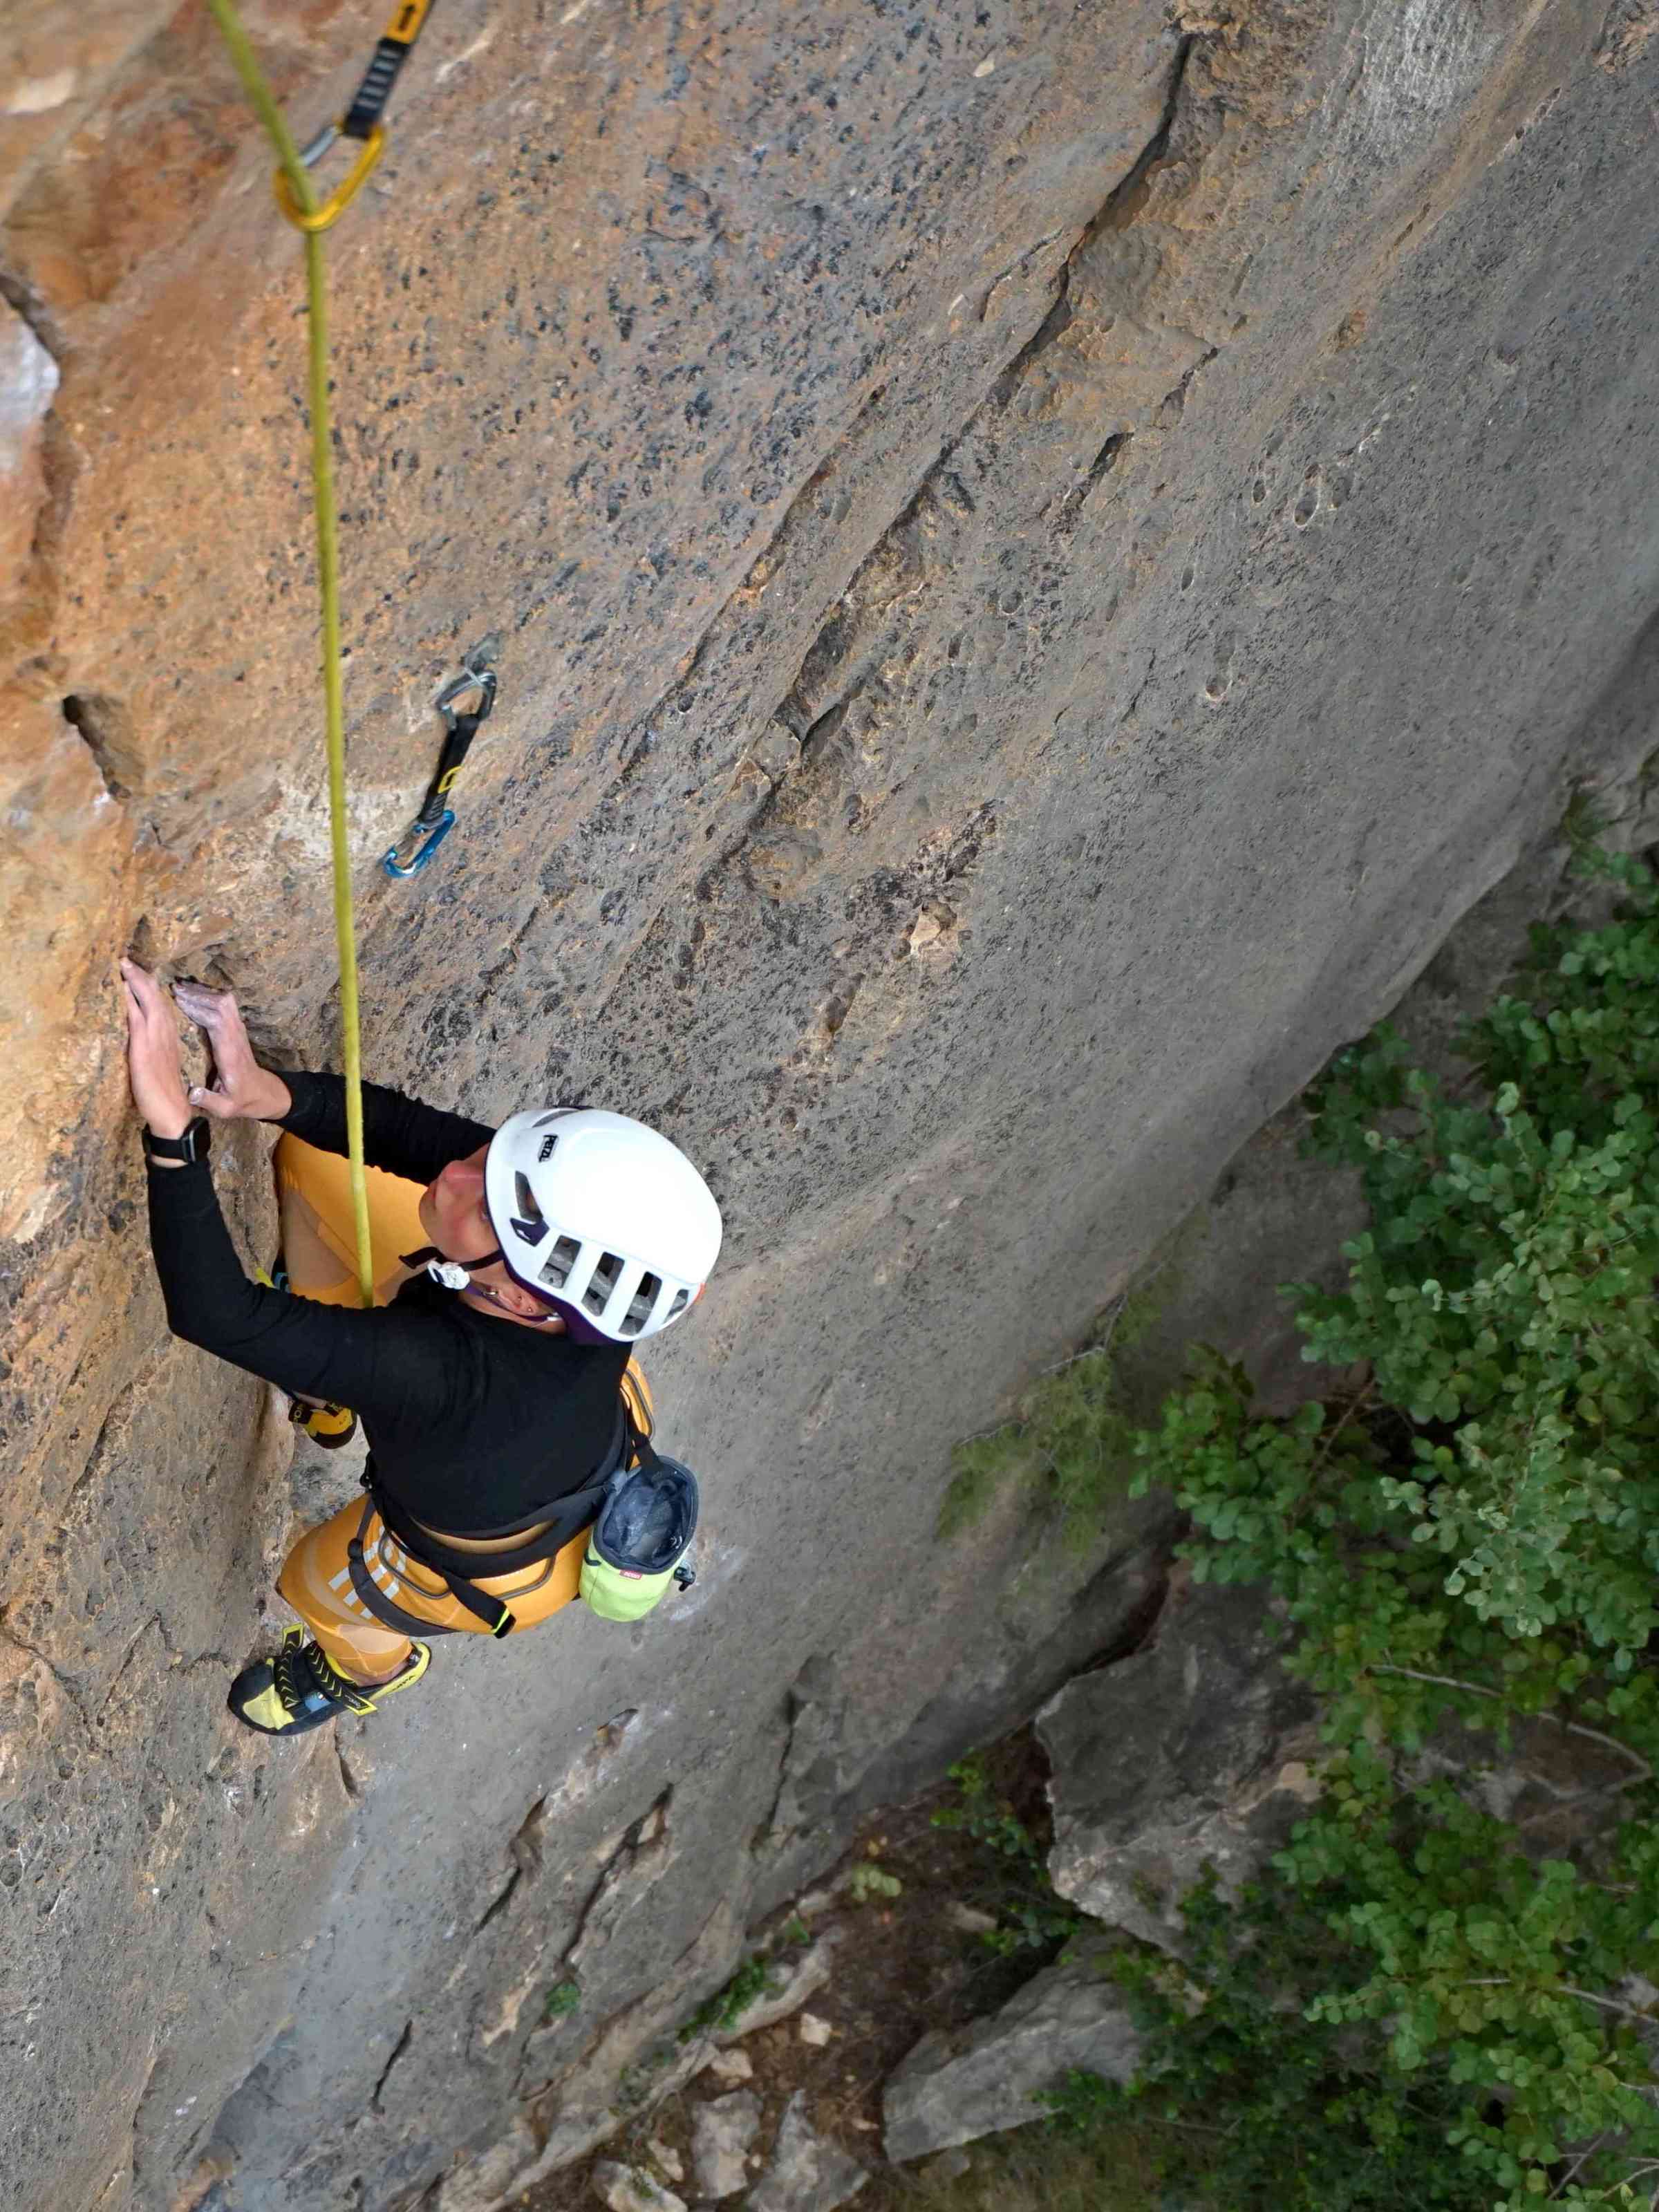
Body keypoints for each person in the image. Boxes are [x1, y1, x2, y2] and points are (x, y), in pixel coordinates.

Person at [120, 958, 722, 1738]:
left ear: (520, 1292)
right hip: (568, 1427)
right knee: (312, 1160)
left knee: (310, 1581)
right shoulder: (578, 1268)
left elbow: (216, 1312)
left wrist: (172, 1131)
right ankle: (327, 1392)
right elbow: (413, 1137)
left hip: (495, 1567)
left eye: (488, 1205)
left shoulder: (436, 1368)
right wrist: (273, 1095)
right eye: (491, 1161)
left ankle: (364, 1667)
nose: (460, 1176)